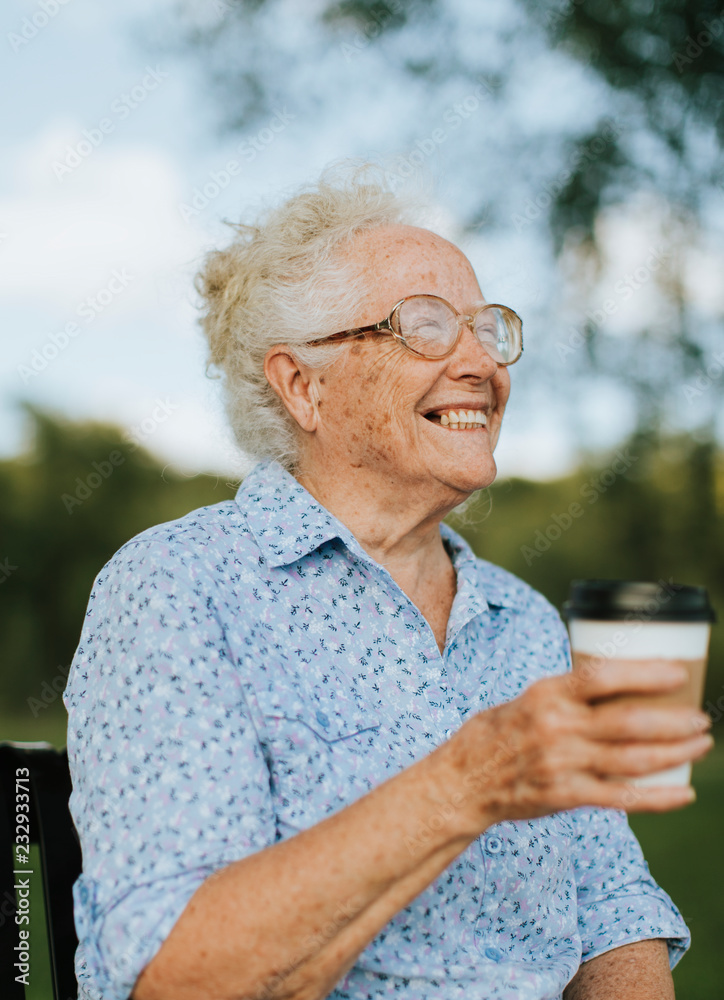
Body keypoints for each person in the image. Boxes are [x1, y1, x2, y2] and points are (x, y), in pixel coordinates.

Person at [64, 167, 712, 1000]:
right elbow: (181, 977)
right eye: (426, 328)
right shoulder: (179, 588)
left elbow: (612, 909)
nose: (481, 361)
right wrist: (474, 777)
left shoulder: (523, 621)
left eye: (487, 328)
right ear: (303, 385)